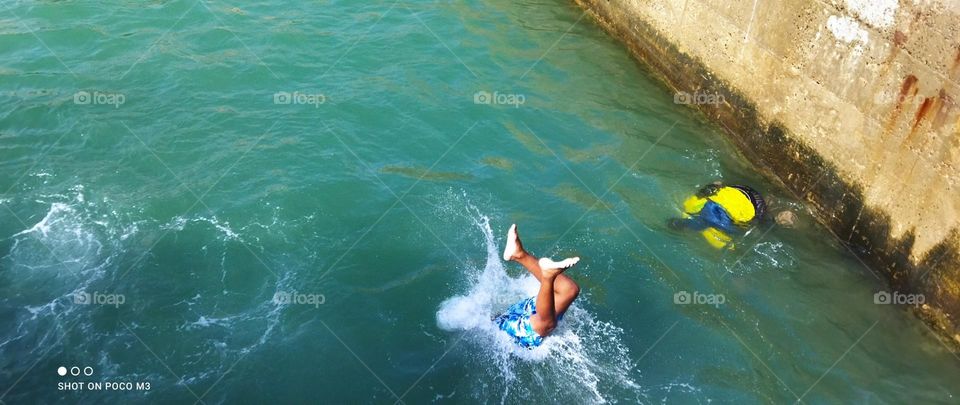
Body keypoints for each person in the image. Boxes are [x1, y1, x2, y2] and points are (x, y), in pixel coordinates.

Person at [494, 224, 581, 348]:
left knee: (550, 320)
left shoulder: (492, 327)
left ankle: (519, 255)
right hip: (509, 322)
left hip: (508, 324)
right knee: (568, 293)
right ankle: (543, 272)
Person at [668, 182, 767, 249]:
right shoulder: (688, 207)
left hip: (753, 206)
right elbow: (710, 187)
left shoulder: (718, 240)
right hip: (737, 191)